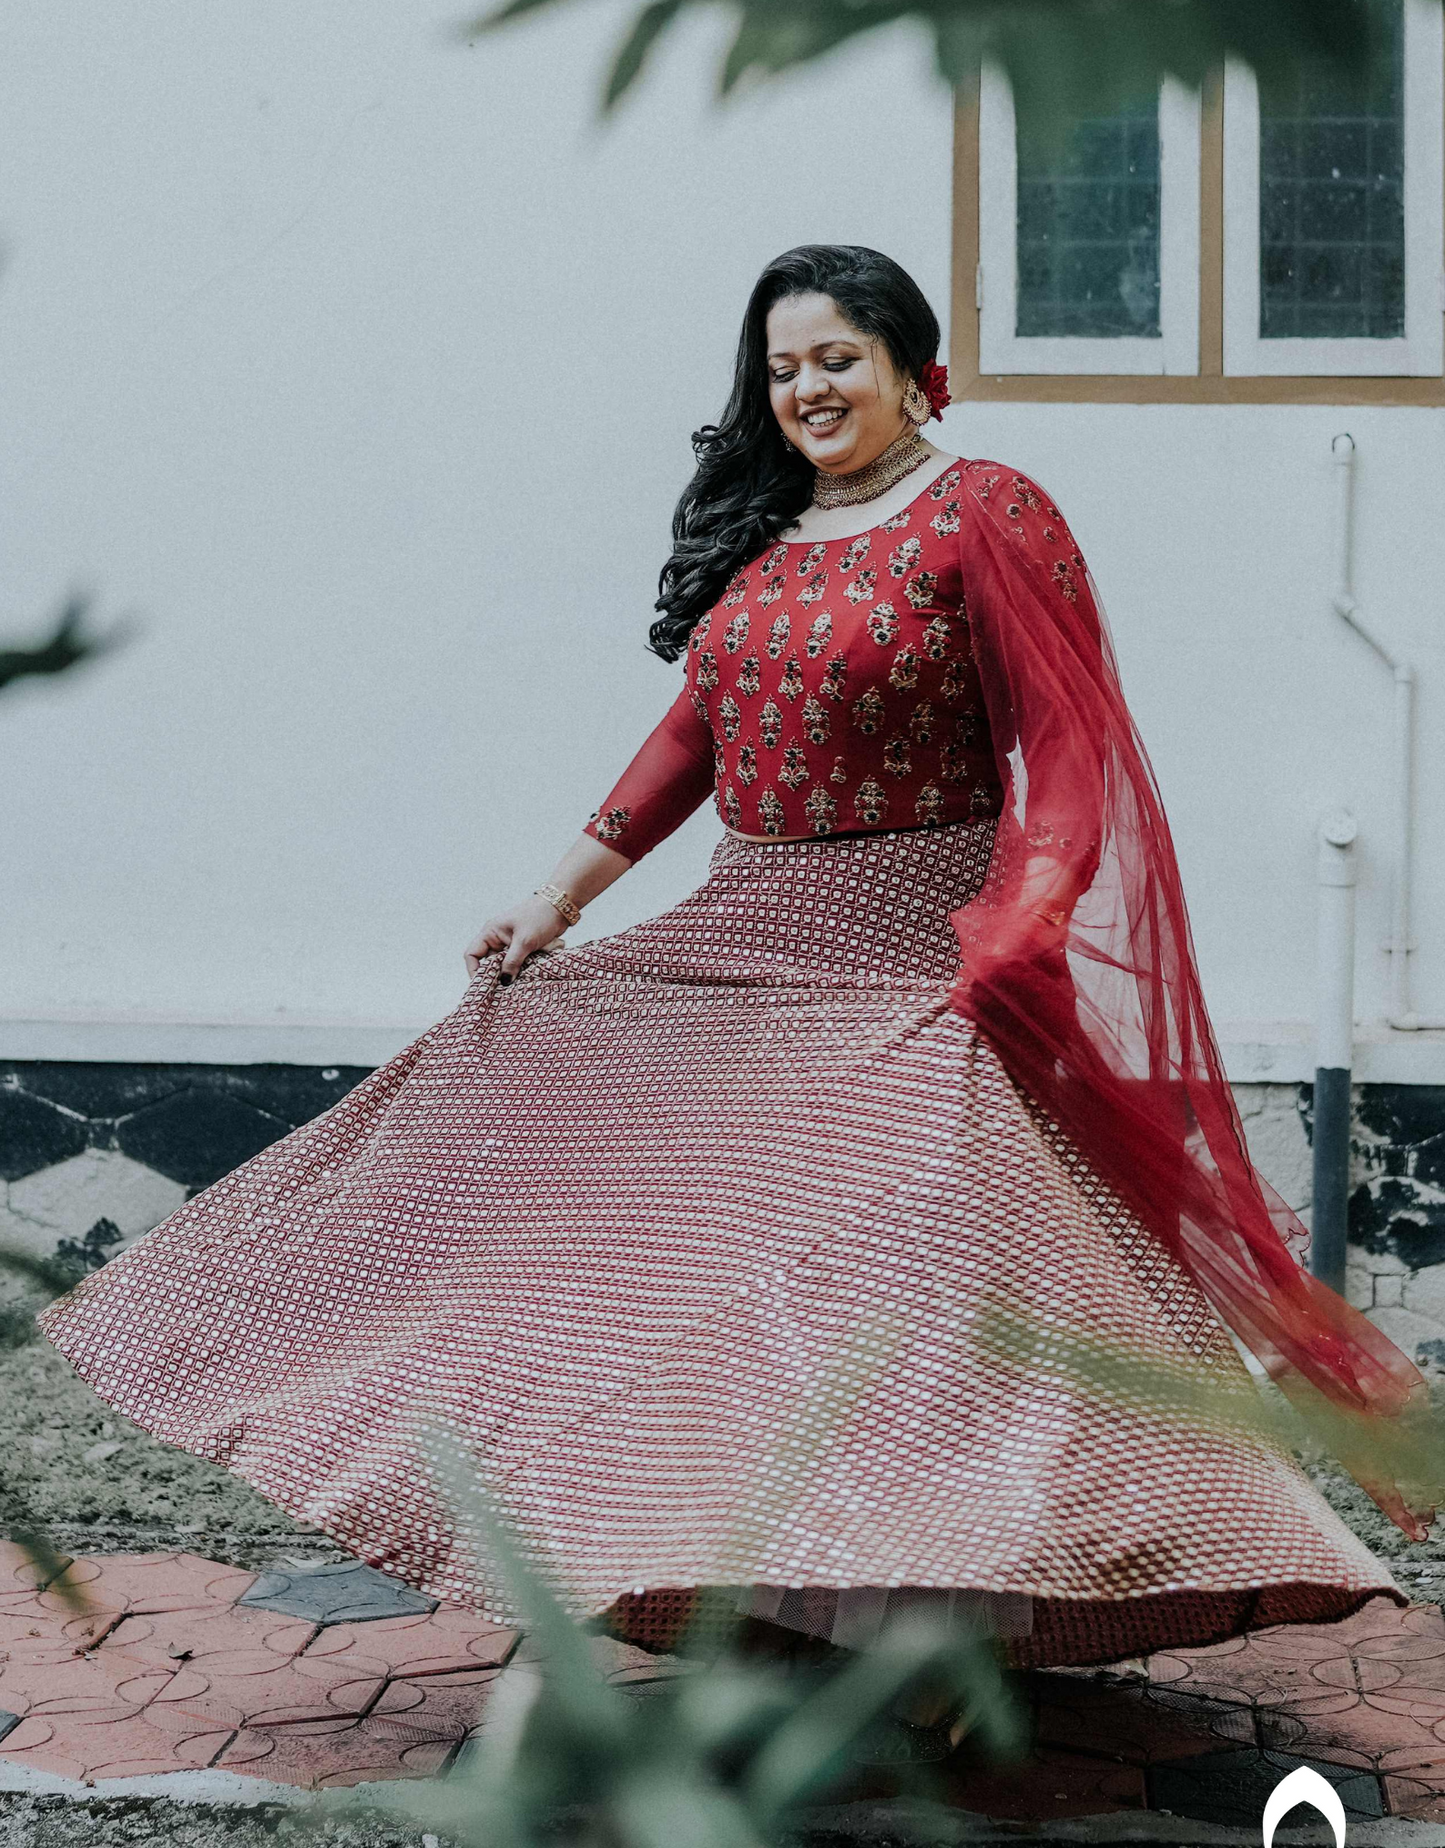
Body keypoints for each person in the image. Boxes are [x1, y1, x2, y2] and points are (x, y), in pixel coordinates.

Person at [40, 245, 1440, 1675]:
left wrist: (1030, 911)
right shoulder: (765, 542)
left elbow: (1066, 744)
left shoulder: (988, 512)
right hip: (747, 932)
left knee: (905, 1272)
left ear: (910, 365)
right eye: (781, 371)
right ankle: (729, 1575)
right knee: (645, 1226)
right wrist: (556, 902)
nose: (808, 391)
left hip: (913, 958)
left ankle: (942, 1629)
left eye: (836, 359)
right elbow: (693, 743)